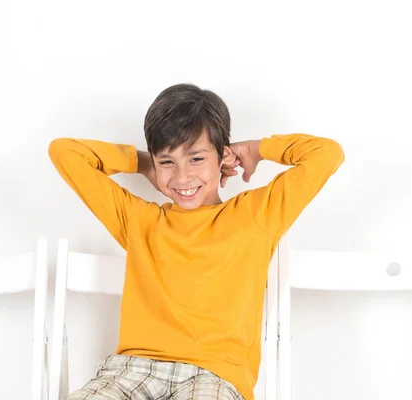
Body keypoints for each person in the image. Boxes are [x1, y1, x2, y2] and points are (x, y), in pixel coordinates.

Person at [49, 83, 345, 400]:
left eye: (196, 158)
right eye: (168, 162)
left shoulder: (255, 216)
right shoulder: (139, 220)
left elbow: (326, 154)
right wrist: (146, 163)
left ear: (222, 156)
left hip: (214, 376)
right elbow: (64, 152)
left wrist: (255, 150)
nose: (182, 177)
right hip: (132, 370)